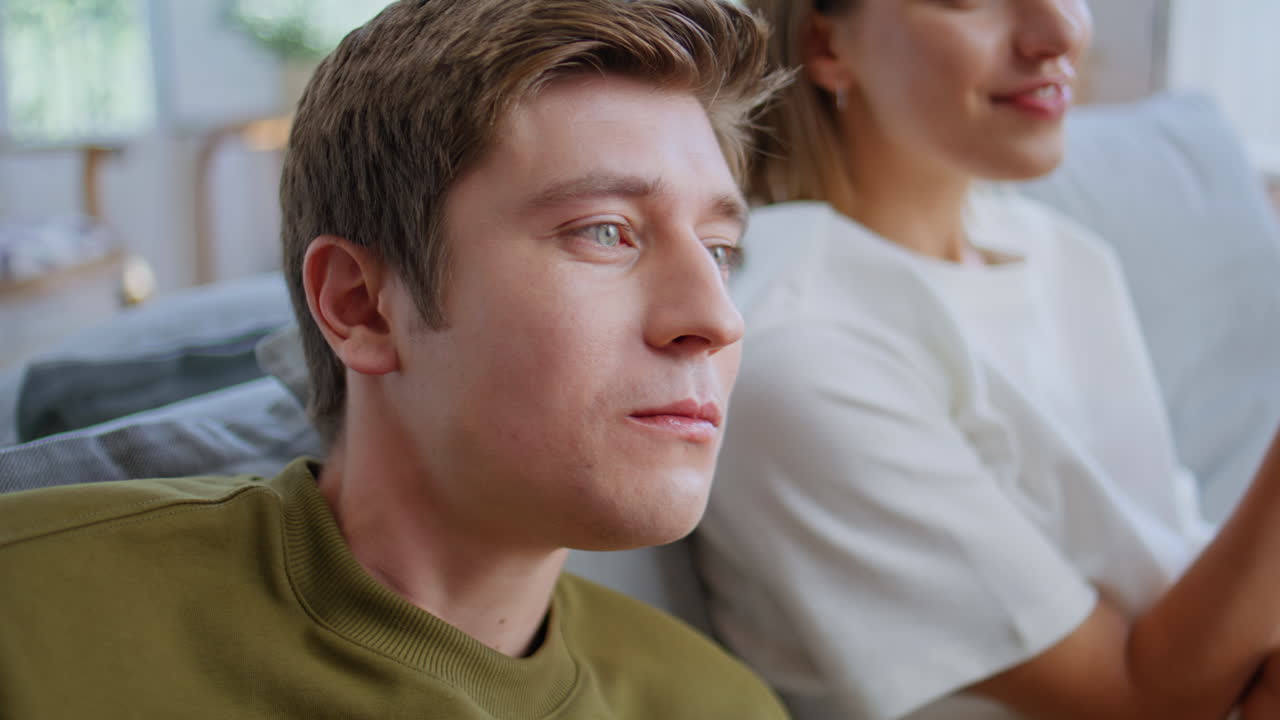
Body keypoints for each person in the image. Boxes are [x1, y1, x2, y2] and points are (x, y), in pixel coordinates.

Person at [0, 1, 791, 717]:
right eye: (605, 231)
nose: (715, 319)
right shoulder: (29, 615)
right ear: (361, 306)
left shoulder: (720, 705)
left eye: (720, 250)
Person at [694, 1, 1280, 719]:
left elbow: (1176, 569)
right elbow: (1135, 701)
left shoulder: (1050, 247)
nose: (1063, 32)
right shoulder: (802, 353)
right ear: (825, 42)